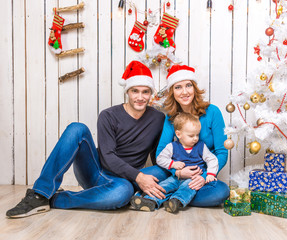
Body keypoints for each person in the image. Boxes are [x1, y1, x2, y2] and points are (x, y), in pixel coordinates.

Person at [6, 60, 169, 218]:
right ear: (127, 91)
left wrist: (171, 172)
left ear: (151, 93)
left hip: (127, 179)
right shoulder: (109, 115)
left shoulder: (158, 119)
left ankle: (137, 195)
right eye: (135, 91)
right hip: (98, 172)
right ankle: (40, 195)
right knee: (77, 128)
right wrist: (139, 178)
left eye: (145, 92)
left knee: (162, 172)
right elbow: (108, 157)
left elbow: (157, 156)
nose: (140, 97)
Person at [132, 64, 229, 211]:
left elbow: (222, 152)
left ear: (194, 88)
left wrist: (203, 177)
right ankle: (175, 196)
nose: (184, 92)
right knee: (138, 177)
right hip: (176, 170)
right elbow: (161, 152)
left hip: (200, 172)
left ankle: (161, 196)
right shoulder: (171, 117)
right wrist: (177, 172)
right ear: (172, 92)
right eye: (178, 87)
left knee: (221, 192)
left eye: (188, 85)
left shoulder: (212, 112)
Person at [130, 112, 219, 213]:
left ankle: (175, 201)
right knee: (164, 186)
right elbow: (160, 158)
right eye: (191, 135)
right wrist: (172, 164)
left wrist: (210, 174)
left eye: (197, 135)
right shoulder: (172, 146)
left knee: (188, 188)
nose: (195, 138)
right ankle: (149, 201)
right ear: (178, 134)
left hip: (193, 178)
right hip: (175, 177)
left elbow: (212, 159)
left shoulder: (201, 147)